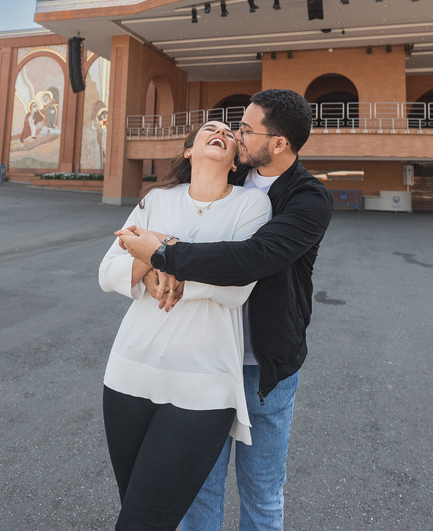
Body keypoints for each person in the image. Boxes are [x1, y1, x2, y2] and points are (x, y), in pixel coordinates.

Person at [116, 89, 333, 531]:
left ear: (279, 144)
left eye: (248, 130)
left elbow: (250, 259)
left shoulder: (309, 200)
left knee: (261, 493)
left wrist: (165, 253)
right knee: (199, 492)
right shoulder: (230, 179)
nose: (237, 135)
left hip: (263, 365)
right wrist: (160, 261)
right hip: (207, 359)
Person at [100, 121, 272, 531]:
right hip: (127, 374)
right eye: (210, 129)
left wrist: (157, 252)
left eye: (231, 134)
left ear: (235, 162)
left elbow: (236, 287)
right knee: (136, 509)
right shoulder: (155, 200)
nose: (222, 133)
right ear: (189, 151)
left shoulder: (251, 206)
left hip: (204, 387)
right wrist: (163, 252)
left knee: (144, 521)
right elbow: (108, 272)